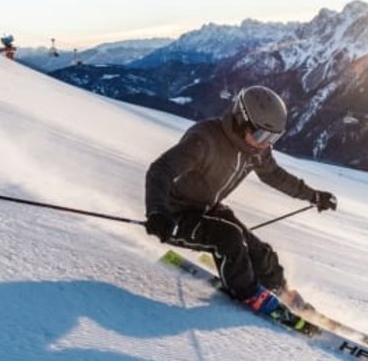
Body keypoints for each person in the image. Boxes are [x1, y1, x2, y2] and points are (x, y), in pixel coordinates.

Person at [144, 85, 337, 316]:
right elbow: (160, 170)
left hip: (208, 209)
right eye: (262, 135)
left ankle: (282, 293)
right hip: (174, 215)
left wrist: (313, 196)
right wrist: (157, 213)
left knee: (260, 252)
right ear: (240, 121)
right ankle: (250, 294)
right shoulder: (204, 140)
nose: (266, 143)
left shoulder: (256, 150)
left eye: (273, 137)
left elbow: (275, 175)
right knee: (229, 238)